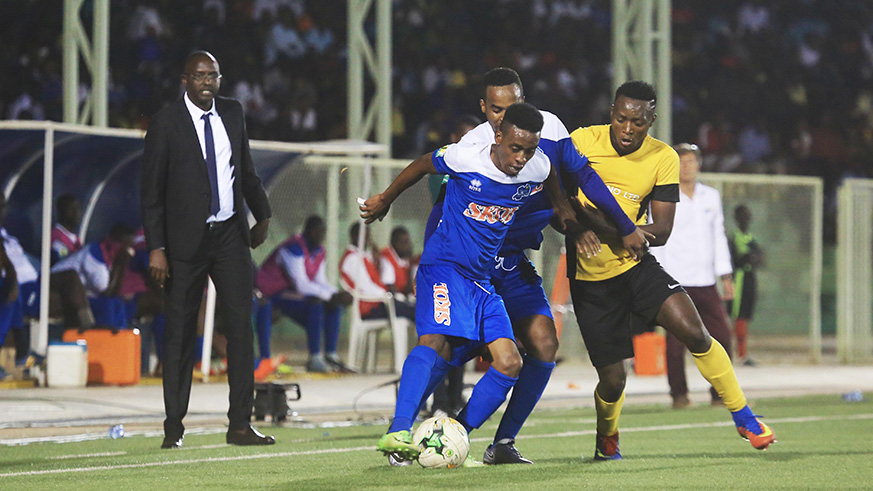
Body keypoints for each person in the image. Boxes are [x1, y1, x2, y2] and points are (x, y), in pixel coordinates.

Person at [424, 67, 649, 465]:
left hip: (511, 263)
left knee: (544, 342)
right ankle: (406, 426)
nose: (504, 116)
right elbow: (442, 201)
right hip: (468, 265)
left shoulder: (551, 133)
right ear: (485, 110)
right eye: (495, 109)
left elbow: (580, 182)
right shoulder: (474, 146)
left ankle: (496, 441)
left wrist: (618, 226)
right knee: (448, 347)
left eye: (511, 106)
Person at [364, 102, 585, 467]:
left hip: (482, 281)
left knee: (510, 362)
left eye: (529, 150)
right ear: (498, 136)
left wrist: (561, 205)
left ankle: (455, 435)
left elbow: (548, 176)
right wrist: (385, 199)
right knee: (435, 343)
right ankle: (399, 429)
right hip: (444, 268)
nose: (521, 158)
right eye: (515, 148)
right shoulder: (467, 158)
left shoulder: (538, 166)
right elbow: (422, 164)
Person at [567, 81, 775, 460]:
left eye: (638, 122)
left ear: (652, 120)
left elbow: (660, 232)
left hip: (635, 267)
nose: (627, 129)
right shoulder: (582, 141)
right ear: (610, 112)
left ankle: (745, 417)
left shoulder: (663, 157)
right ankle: (607, 436)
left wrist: (599, 222)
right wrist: (603, 228)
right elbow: (559, 205)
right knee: (613, 381)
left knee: (697, 333)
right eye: (620, 119)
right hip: (590, 279)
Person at [141, 51, 274, 449]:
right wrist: (157, 247)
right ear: (185, 79)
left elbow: (245, 170)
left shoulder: (232, 113)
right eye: (198, 76)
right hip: (183, 243)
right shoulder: (165, 123)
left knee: (240, 330)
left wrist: (262, 214)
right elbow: (151, 195)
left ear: (219, 78)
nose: (205, 82)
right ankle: (173, 428)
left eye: (212, 76)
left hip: (231, 235)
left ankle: (239, 425)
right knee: (180, 334)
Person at [649, 143, 736, 409]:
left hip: (706, 279)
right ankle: (679, 395)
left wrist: (725, 274)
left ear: (699, 164)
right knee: (675, 344)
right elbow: (655, 237)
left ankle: (720, 393)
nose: (686, 166)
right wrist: (657, 277)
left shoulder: (711, 196)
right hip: (674, 279)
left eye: (691, 161)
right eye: (681, 161)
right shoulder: (662, 195)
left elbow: (718, 235)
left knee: (721, 337)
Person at [254, 215, 353, 373]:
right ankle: (314, 357)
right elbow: (301, 283)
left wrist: (336, 294)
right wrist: (329, 296)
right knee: (316, 303)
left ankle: (330, 354)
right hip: (272, 292)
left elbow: (320, 281)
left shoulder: (320, 251)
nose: (320, 235)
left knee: (331, 305)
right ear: (308, 231)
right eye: (317, 231)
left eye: (323, 232)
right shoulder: (293, 248)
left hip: (290, 293)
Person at [50, 224, 136, 329]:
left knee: (118, 303)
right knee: (107, 305)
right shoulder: (94, 256)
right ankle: (100, 340)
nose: (131, 252)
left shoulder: (109, 257)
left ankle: (119, 340)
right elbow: (106, 291)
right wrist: (122, 265)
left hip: (82, 295)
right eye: (127, 246)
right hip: (59, 289)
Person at [340, 223, 415, 321]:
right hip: (370, 307)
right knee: (415, 311)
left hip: (378, 302)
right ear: (355, 236)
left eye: (368, 236)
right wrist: (387, 295)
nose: (368, 240)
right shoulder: (352, 258)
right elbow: (366, 286)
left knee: (416, 309)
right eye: (365, 236)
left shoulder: (362, 256)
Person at [727, 205, 764, 366]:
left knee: (745, 315)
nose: (746, 219)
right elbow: (737, 259)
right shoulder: (733, 237)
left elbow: (760, 258)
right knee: (737, 314)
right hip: (739, 279)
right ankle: (734, 352)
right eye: (743, 215)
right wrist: (749, 257)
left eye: (748, 215)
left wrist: (751, 257)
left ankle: (743, 353)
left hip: (750, 278)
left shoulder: (751, 238)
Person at [379, 226, 416, 298]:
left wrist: (411, 264)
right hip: (389, 301)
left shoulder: (404, 259)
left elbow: (409, 288)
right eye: (403, 242)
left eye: (408, 242)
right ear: (394, 242)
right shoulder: (387, 259)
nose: (407, 246)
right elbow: (391, 289)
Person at [50, 194, 83, 265]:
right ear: (62, 211)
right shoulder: (56, 239)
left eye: (78, 209)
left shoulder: (74, 238)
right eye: (72, 209)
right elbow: (66, 261)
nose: (77, 213)